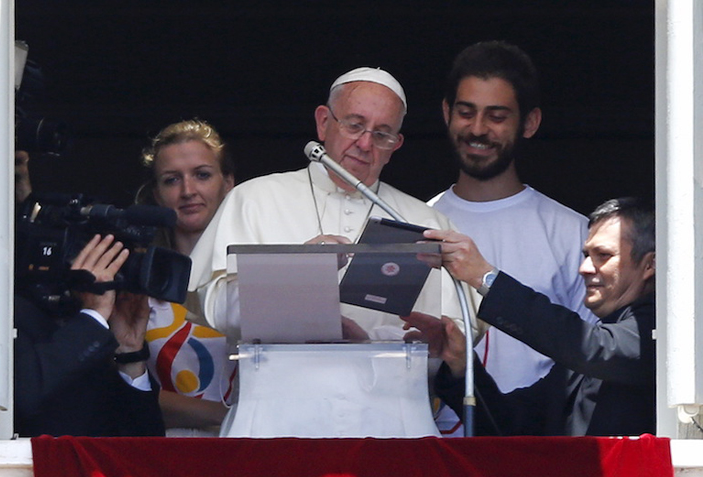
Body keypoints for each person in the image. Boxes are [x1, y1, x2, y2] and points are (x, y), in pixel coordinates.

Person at [187, 67, 481, 342]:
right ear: (324, 123)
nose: (365, 144)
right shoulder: (254, 198)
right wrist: (297, 272)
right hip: (281, 391)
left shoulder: (427, 221)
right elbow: (215, 308)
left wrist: (378, 339)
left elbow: (457, 334)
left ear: (396, 145)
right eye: (355, 125)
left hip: (388, 393)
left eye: (381, 134)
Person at [428, 41, 596, 435]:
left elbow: (592, 359)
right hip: (430, 448)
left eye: (497, 116)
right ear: (446, 113)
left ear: (530, 122)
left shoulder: (573, 233)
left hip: (538, 450)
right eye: (466, 112)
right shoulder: (415, 223)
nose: (478, 129)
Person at [404, 197, 656, 436]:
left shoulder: (668, 332)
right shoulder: (587, 353)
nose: (584, 268)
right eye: (586, 255)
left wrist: (485, 278)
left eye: (604, 255)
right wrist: (460, 364)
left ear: (649, 265)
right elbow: (510, 425)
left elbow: (597, 348)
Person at [137, 119, 236, 436]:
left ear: (228, 183)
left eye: (202, 175)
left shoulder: (253, 277)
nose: (188, 190)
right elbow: (123, 389)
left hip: (252, 456)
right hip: (165, 458)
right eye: (171, 180)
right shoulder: (138, 282)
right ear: (157, 194)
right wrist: (231, 415)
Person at [14, 234, 166, 437]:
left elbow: (144, 445)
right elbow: (19, 396)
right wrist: (93, 315)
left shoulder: (90, 330)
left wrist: (130, 352)